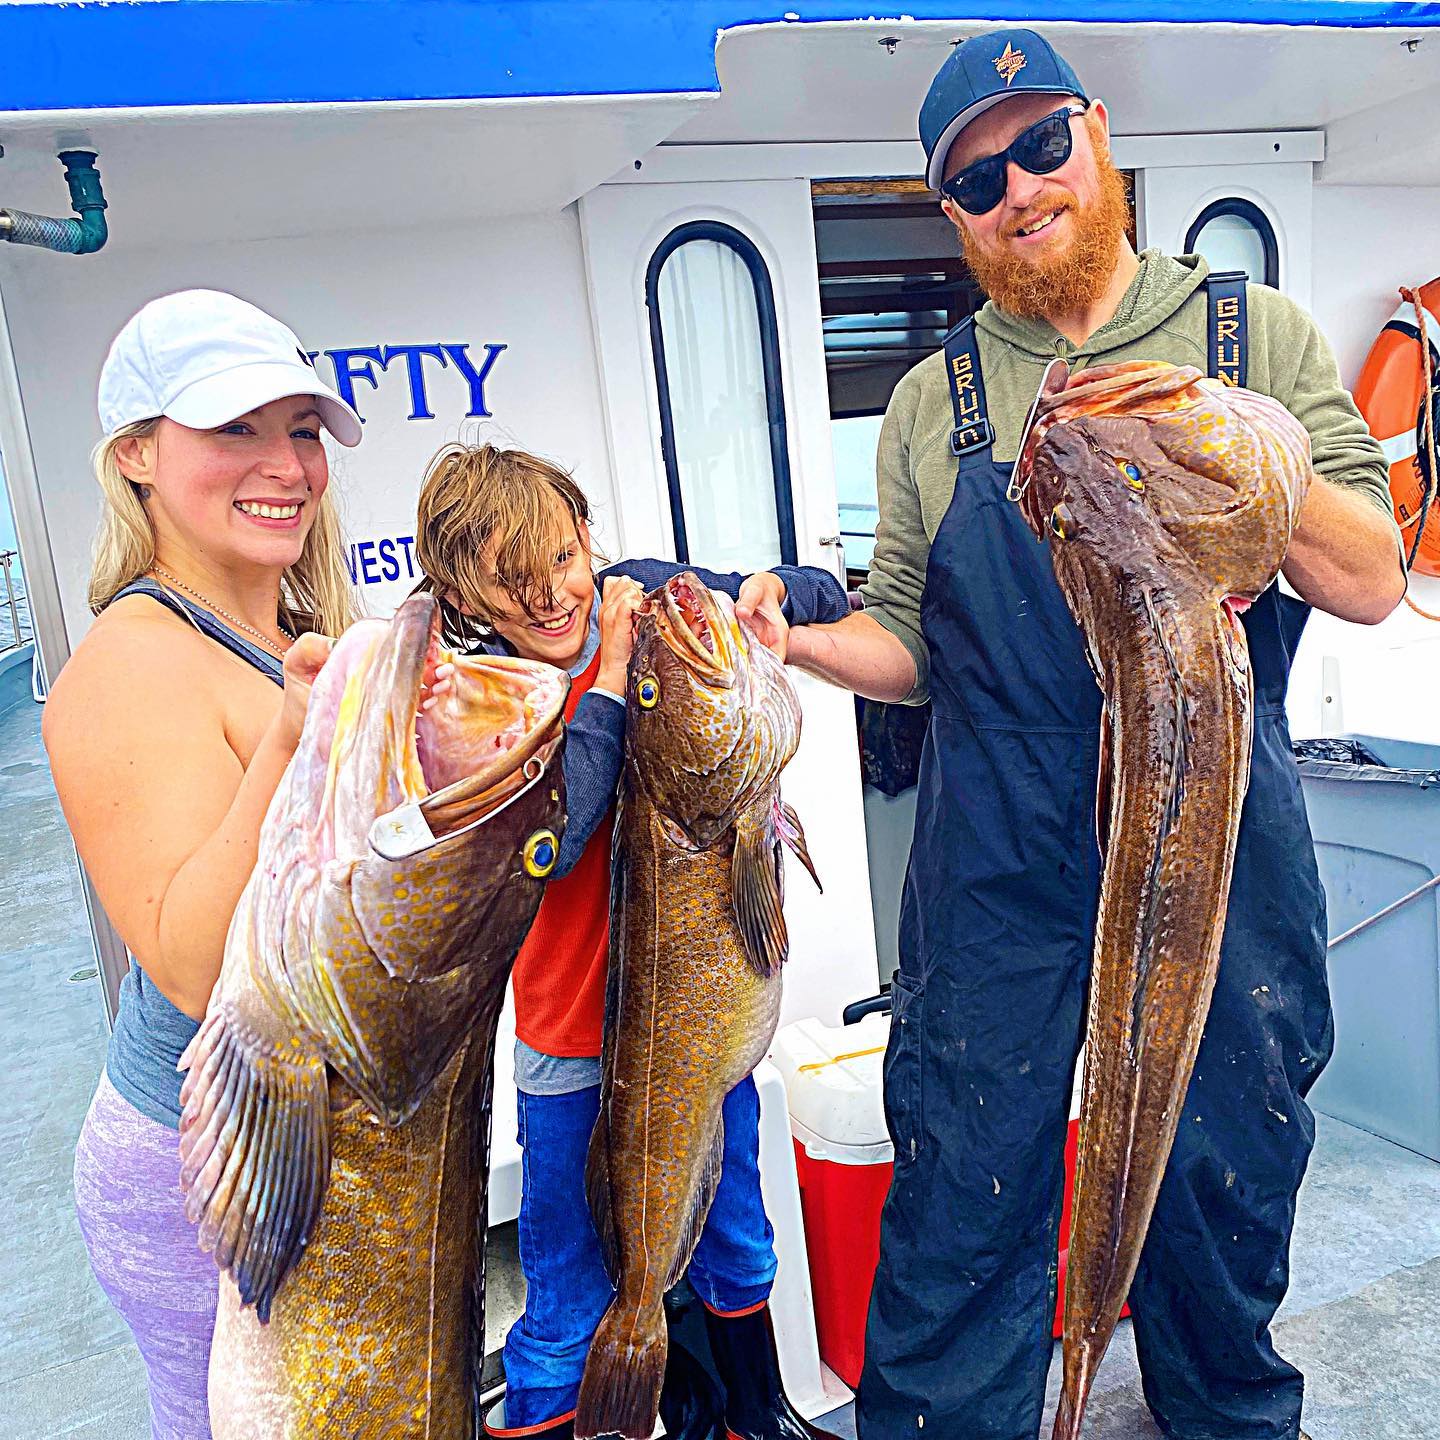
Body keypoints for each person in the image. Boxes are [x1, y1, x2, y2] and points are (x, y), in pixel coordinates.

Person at [784, 29, 1407, 1440]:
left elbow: (1368, 579)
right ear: (952, 215)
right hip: (1002, 842)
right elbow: (910, 641)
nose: (1019, 188)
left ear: (1099, 133)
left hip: (1216, 824)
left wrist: (1251, 445)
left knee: (1221, 1170)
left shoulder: (1254, 333)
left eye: (1040, 145)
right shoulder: (929, 406)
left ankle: (1220, 1408)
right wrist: (797, 640)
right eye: (976, 177)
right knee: (966, 1185)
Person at [414, 442, 849, 1440]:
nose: (554, 592)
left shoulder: (648, 600)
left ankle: (758, 1417)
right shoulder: (473, 697)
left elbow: (809, 595)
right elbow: (558, 839)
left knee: (739, 1237)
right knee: (568, 1300)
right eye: (512, 580)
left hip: (695, 1037)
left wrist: (782, 590)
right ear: (461, 590)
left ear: (584, 537)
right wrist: (613, 677)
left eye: (565, 557)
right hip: (570, 1049)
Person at [45, 289, 365, 1439]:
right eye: (234, 430)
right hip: (201, 1173)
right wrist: (293, 737)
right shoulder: (126, 668)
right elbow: (187, 964)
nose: (284, 463)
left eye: (300, 430)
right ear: (135, 453)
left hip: (318, 1133)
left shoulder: (291, 629)